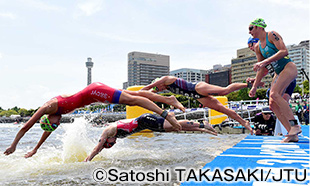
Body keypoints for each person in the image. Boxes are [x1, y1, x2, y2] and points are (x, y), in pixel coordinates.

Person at [4, 82, 182, 157]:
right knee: (133, 94)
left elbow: (27, 126)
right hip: (95, 95)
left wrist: (14, 145)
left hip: (94, 92)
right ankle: (168, 100)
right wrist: (35, 149)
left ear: (48, 118)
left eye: (54, 123)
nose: (58, 123)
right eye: (56, 125)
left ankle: (166, 114)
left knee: (133, 100)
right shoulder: (54, 116)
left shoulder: (48, 107)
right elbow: (46, 132)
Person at [140, 76, 263, 134]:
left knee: (224, 90)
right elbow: (149, 93)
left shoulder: (166, 79)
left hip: (198, 88)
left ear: (158, 82)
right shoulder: (162, 87)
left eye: (158, 86)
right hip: (198, 97)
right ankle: (244, 122)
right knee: (222, 109)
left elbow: (148, 88)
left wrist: (142, 90)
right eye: (158, 88)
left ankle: (248, 84)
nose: (159, 89)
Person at [248, 18, 300, 142]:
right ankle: (291, 133)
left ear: (259, 27)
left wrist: (265, 62)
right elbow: (262, 69)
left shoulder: (272, 34)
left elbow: (284, 51)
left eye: (251, 28)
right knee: (272, 104)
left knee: (274, 94)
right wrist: (254, 86)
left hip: (288, 67)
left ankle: (295, 125)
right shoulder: (258, 47)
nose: (249, 32)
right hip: (278, 73)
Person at [84, 113, 217, 162]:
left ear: (108, 139)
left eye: (111, 144)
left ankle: (203, 124)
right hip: (146, 125)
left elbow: (97, 148)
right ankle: (202, 128)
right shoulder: (111, 136)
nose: (114, 143)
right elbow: (100, 149)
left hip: (145, 120)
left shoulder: (108, 131)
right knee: (175, 128)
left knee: (171, 126)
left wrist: (88, 160)